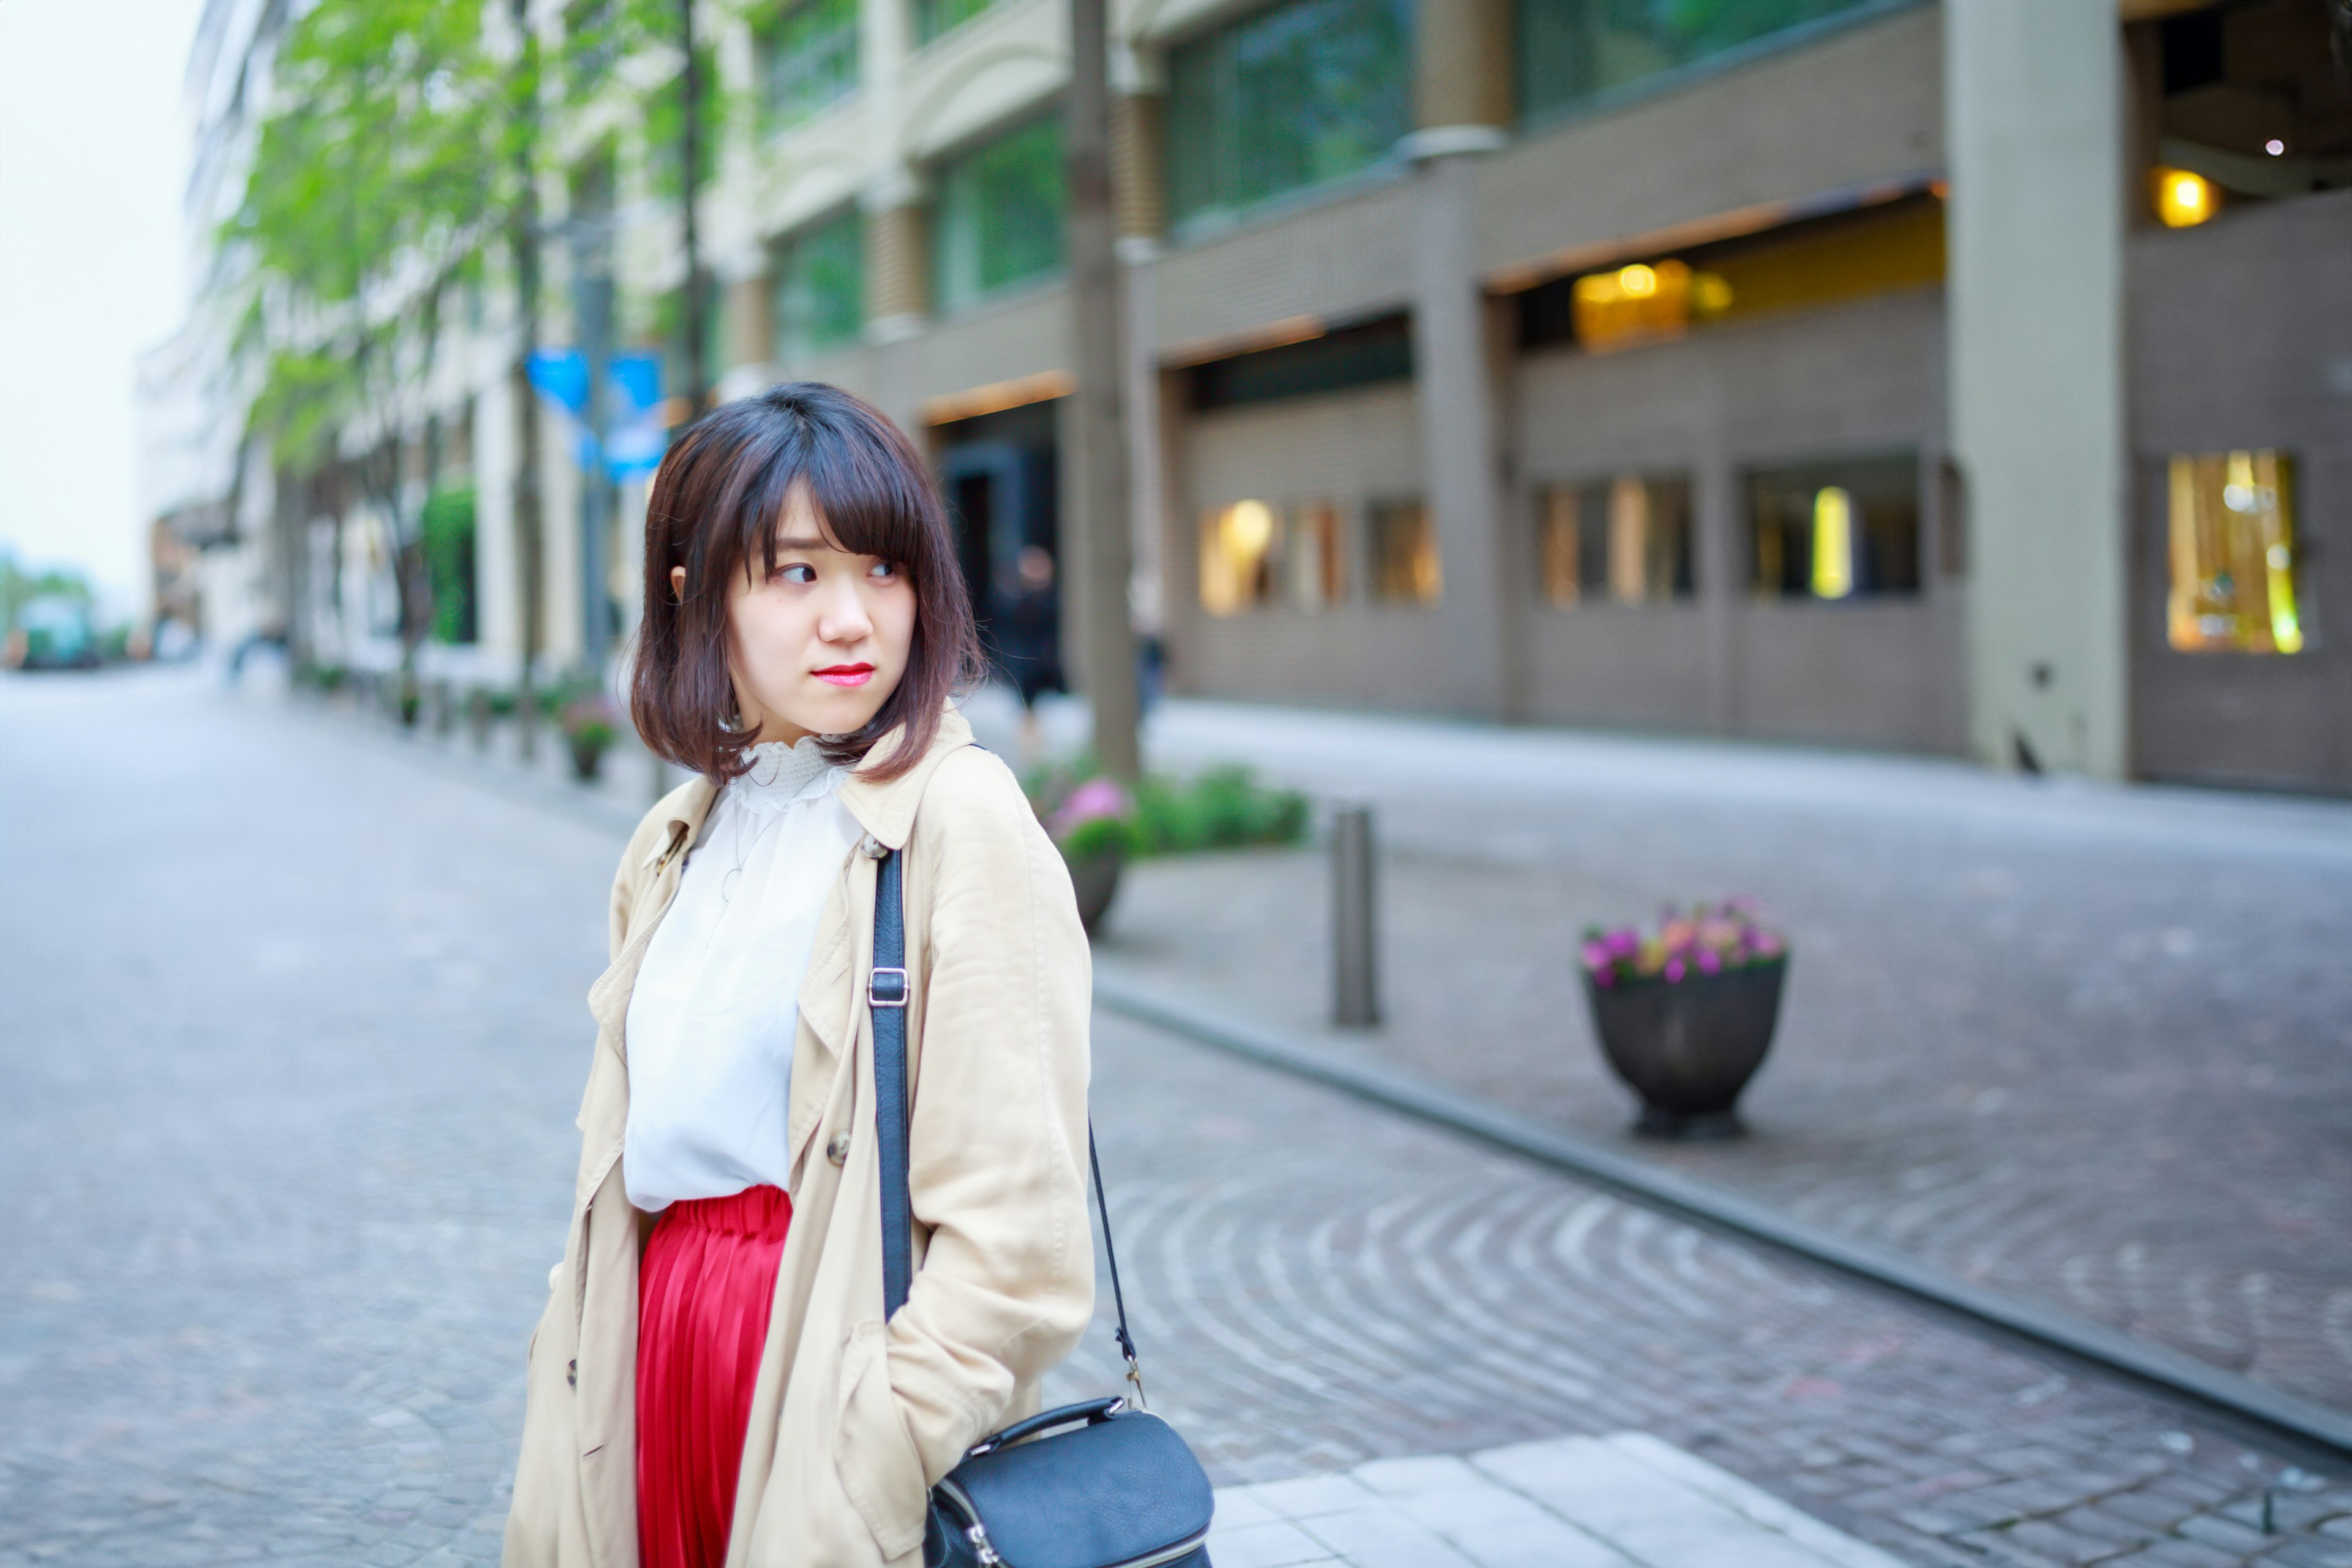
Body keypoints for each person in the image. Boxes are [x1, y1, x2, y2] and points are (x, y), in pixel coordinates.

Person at [503, 383, 1097, 1568]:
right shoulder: (680, 840)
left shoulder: (957, 824)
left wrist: (863, 1471)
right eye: (795, 575)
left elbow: (1014, 1253)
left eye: (883, 569)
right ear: (696, 591)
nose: (852, 620)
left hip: (815, 1385)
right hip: (655, 1367)